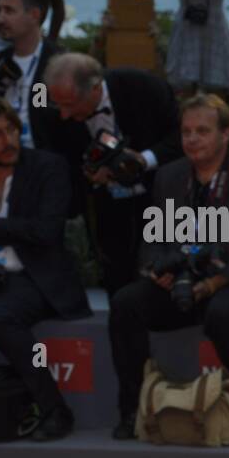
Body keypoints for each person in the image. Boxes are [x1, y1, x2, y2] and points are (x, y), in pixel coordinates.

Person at [107, 94, 229, 442]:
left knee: (223, 311)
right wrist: (155, 270)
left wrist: (213, 284)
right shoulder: (169, 176)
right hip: (181, 282)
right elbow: (154, 237)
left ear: (226, 134)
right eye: (186, 131)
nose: (191, 139)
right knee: (126, 303)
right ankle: (132, 408)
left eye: (202, 131)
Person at [42, 53, 183, 296]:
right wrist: (88, 173)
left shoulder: (144, 87)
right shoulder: (54, 112)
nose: (63, 114)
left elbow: (181, 138)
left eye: (70, 103)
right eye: (59, 105)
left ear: (95, 88)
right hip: (106, 209)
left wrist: (143, 160)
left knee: (160, 276)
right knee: (116, 281)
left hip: (160, 200)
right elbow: (59, 161)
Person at [0, 94, 87, 441]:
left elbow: (47, 232)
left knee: (0, 316)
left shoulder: (47, 167)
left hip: (34, 276)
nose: (7, 142)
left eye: (10, 131)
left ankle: (54, 408)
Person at [0, 0, 62, 151]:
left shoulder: (60, 64)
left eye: (9, 11)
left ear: (34, 15)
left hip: (45, 165)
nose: (0, 19)